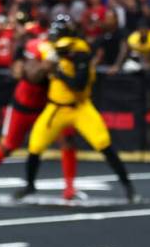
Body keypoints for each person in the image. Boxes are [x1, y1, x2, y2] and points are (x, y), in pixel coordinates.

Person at [17, 14, 136, 202]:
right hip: (56, 108)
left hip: (80, 107)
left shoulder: (80, 51)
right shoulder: (51, 50)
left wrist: (58, 70)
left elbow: (78, 84)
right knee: (35, 144)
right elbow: (32, 76)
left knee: (103, 143)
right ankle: (30, 185)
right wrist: (44, 66)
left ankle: (128, 186)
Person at [0, 22, 79, 200]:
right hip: (25, 104)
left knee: (67, 138)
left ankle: (69, 188)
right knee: (9, 145)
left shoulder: (72, 50)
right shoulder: (38, 49)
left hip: (49, 106)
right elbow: (30, 75)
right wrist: (48, 64)